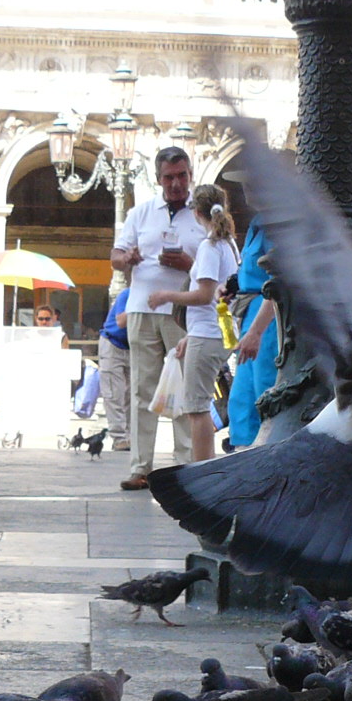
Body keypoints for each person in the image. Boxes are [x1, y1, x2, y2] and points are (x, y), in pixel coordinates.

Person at [112, 146, 204, 489]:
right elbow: (116, 256)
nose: (176, 184)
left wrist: (187, 265)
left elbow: (219, 264)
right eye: (169, 177)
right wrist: (128, 258)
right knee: (142, 388)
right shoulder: (141, 212)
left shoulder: (202, 214)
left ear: (190, 174)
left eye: (182, 175)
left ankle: (185, 464)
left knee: (184, 387)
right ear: (158, 179)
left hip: (183, 312)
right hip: (141, 307)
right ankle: (141, 467)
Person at [149, 182, 237, 465]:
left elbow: (204, 295)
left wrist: (166, 295)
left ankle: (202, 470)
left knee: (196, 409)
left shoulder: (210, 247)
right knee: (198, 407)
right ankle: (205, 467)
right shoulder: (228, 244)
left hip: (207, 334)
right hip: (214, 332)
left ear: (197, 213)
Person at [225, 211, 277, 451]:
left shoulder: (279, 221)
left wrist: (257, 331)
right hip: (251, 312)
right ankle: (243, 452)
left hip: (268, 316)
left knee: (264, 389)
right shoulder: (258, 221)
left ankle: (266, 454)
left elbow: (281, 279)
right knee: (242, 395)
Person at [96, 285, 130, 449]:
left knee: (133, 395)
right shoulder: (128, 294)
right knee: (114, 393)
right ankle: (119, 438)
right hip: (112, 343)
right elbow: (121, 321)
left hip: (134, 346)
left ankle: (131, 436)